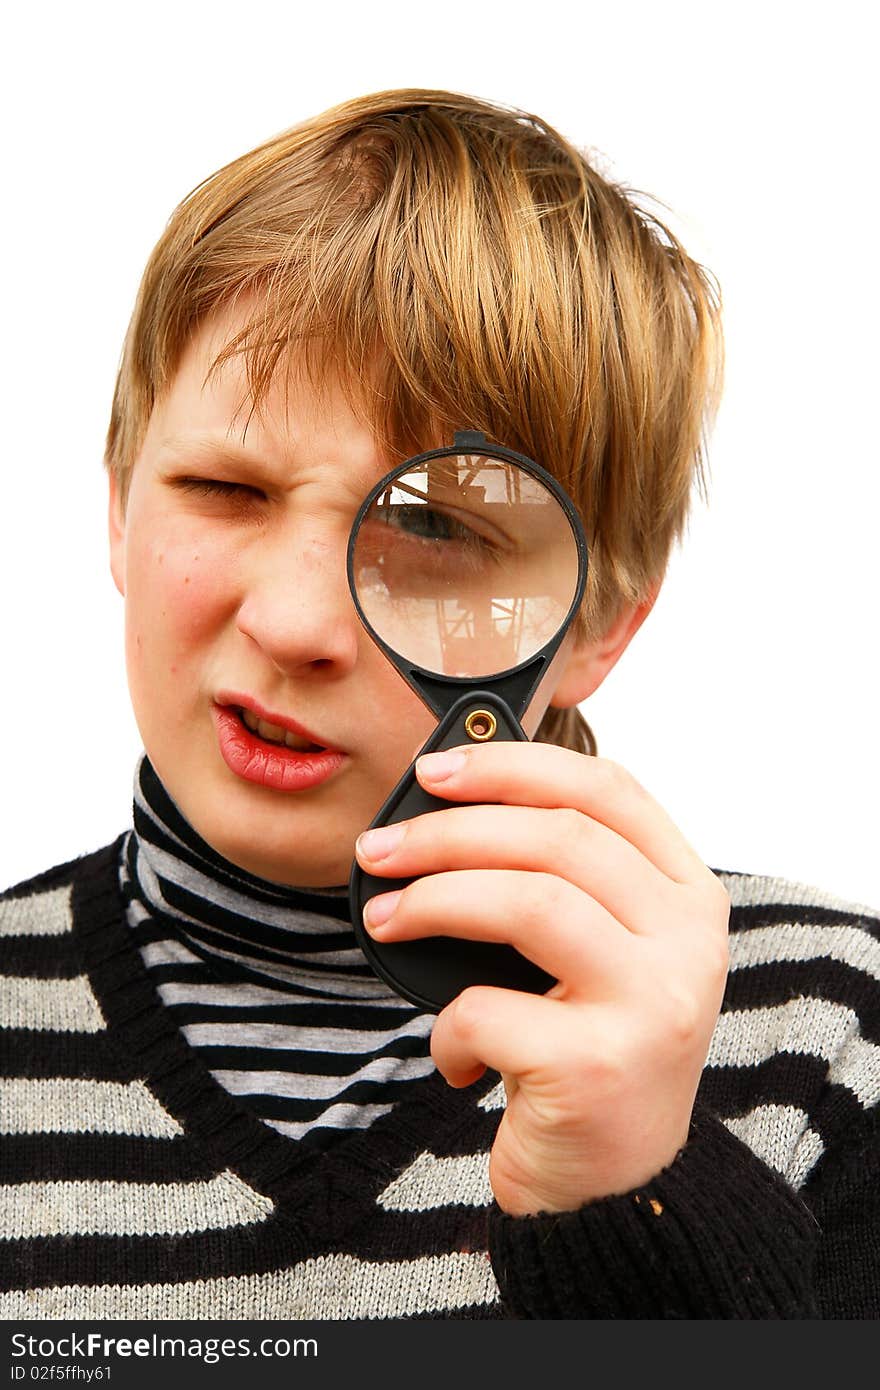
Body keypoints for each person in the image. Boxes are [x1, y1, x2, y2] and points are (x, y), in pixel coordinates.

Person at [1, 87, 877, 1322]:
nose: (295, 624)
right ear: (117, 505)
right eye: (224, 488)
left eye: (434, 529)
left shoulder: (831, 1035)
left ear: (600, 627)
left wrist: (636, 1199)